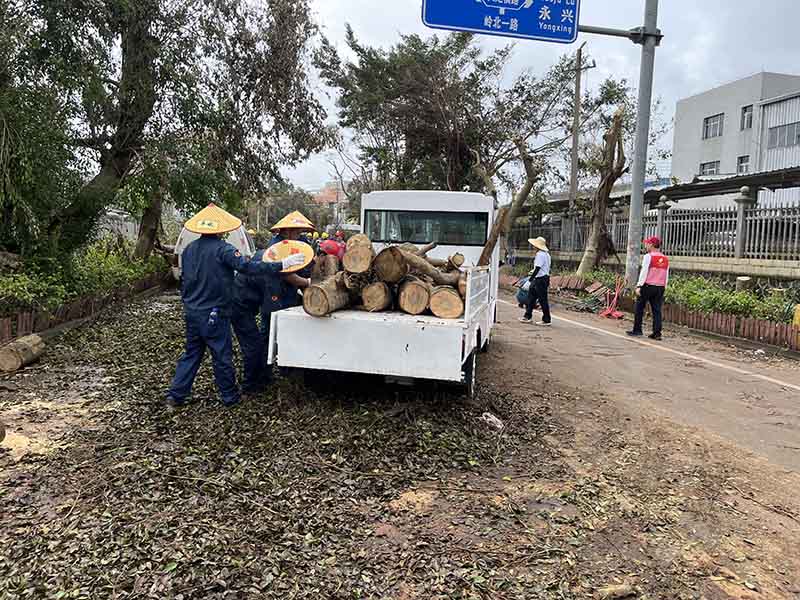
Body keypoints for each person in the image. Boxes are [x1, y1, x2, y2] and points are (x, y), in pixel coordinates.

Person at [166, 204, 305, 408]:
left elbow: (185, 280)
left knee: (192, 353)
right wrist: (281, 265)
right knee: (221, 355)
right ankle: (229, 397)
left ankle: (175, 396)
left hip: (192, 311)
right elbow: (247, 267)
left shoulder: (189, 250)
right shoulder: (223, 249)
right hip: (215, 311)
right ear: (221, 229)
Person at [628, 236, 669, 341]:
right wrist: (664, 286)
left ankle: (637, 330)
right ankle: (657, 333)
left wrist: (639, 286)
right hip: (660, 287)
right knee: (657, 310)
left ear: (651, 244)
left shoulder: (648, 256)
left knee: (639, 307)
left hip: (647, 285)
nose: (645, 245)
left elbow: (644, 272)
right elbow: (666, 274)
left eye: (647, 243)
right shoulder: (665, 258)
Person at [518, 237, 552, 326]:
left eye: (534, 246)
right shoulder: (547, 255)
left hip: (540, 280)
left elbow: (537, 269)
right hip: (542, 278)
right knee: (531, 298)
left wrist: (529, 280)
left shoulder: (540, 255)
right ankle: (527, 316)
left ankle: (546, 319)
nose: (533, 247)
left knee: (542, 300)